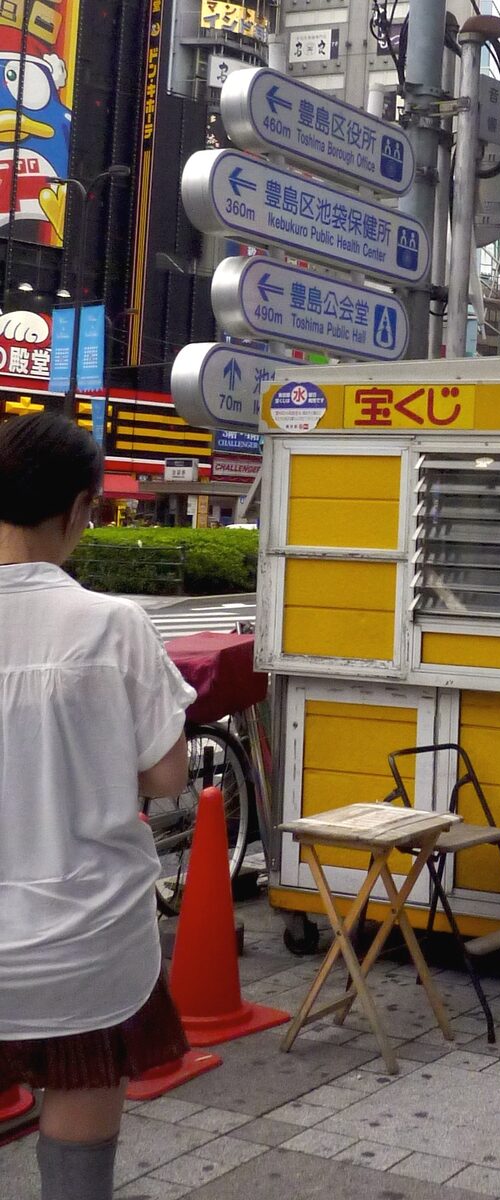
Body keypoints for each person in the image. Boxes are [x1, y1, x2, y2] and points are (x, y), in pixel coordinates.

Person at [0, 413, 196, 1200]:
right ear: (82, 506)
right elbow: (166, 776)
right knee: (81, 1110)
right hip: (88, 939)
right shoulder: (113, 625)